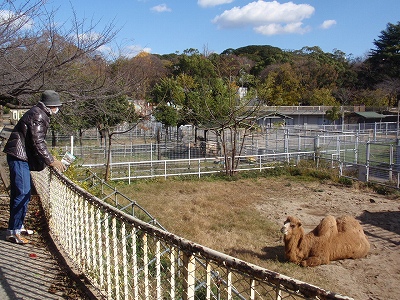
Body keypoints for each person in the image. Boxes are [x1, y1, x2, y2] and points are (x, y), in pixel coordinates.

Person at [3, 90, 66, 244]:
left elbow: (35, 141)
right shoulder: (38, 115)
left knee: (22, 194)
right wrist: (51, 161)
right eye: (56, 106)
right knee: (23, 194)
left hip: (19, 155)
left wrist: (50, 157)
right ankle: (13, 232)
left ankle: (18, 226)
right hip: (19, 157)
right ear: (51, 106)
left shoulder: (37, 112)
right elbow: (38, 141)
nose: (57, 109)